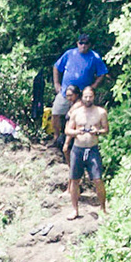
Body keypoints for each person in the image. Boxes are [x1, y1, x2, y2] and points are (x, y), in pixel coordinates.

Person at [65, 85, 109, 219]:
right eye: (86, 96)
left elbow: (106, 130)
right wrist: (76, 132)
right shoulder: (76, 113)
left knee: (98, 179)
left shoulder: (101, 112)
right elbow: (67, 130)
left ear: (94, 97)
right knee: (74, 180)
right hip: (77, 149)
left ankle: (103, 208)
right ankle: (75, 210)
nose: (88, 99)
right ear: (82, 97)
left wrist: (98, 131)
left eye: (90, 96)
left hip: (92, 149)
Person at [52, 33, 109, 109]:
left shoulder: (94, 57)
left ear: (89, 44)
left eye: (86, 43)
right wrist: (56, 84)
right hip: (65, 93)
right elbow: (56, 67)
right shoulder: (69, 54)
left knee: (81, 115)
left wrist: (93, 87)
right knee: (57, 113)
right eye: (81, 43)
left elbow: (102, 73)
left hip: (83, 96)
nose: (83, 45)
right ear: (77, 43)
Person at [50, 83, 78, 147]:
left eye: (71, 95)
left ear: (76, 95)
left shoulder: (78, 105)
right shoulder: (71, 104)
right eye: (67, 96)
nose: (69, 98)